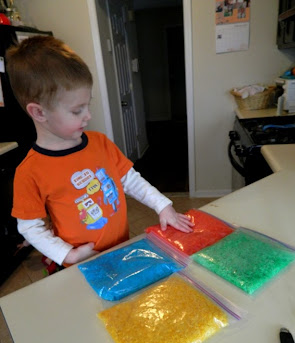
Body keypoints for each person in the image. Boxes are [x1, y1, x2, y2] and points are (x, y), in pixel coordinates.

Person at [6, 35, 194, 271]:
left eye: (88, 105)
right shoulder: (29, 171)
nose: (88, 116)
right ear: (39, 113)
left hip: (121, 248)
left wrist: (162, 205)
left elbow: (129, 180)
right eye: (77, 110)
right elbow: (29, 226)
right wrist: (68, 255)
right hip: (81, 262)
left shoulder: (100, 143)